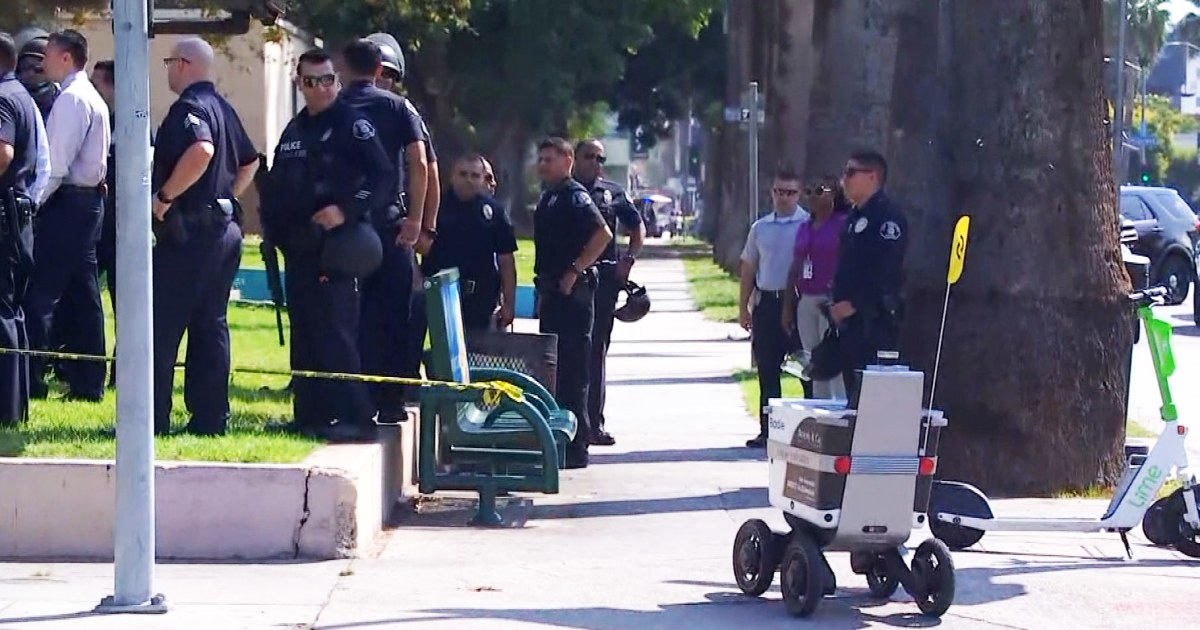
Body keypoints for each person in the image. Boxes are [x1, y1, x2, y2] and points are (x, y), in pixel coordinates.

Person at [263, 48, 393, 441]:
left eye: (326, 80)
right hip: (299, 246)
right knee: (304, 332)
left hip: (338, 246)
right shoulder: (294, 129)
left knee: (335, 332)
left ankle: (356, 416)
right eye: (310, 81)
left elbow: (383, 178)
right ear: (299, 83)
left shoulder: (353, 126)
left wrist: (346, 210)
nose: (319, 89)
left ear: (336, 81)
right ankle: (310, 415)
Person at [150, 37, 258, 435]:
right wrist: (226, 195)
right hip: (223, 230)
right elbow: (250, 161)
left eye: (168, 63)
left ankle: (153, 417)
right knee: (210, 324)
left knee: (162, 325)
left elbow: (203, 150)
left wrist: (165, 196)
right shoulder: (224, 107)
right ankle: (210, 417)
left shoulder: (189, 109)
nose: (166, 71)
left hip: (191, 232)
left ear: (182, 64)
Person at [338, 38, 430, 422]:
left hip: (345, 224)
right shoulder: (399, 107)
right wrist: (416, 221)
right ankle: (390, 402)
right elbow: (420, 163)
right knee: (393, 316)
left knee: (346, 317)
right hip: (391, 226)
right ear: (379, 70)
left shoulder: (334, 107)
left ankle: (350, 401)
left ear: (343, 69)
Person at [23, 29, 110, 402]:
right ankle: (89, 381)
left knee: (40, 293)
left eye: (49, 54)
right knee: (83, 293)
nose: (42, 63)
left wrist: (32, 204)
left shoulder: (72, 100)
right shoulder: (88, 95)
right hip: (87, 204)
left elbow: (55, 166)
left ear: (66, 57)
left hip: (69, 202)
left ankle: (32, 378)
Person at [532, 137, 613, 469]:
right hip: (553, 294)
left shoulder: (574, 196)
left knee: (574, 371)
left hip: (574, 297)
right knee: (554, 370)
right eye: (540, 159)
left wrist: (575, 270)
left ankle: (577, 446)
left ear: (567, 160)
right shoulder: (550, 197)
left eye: (549, 159)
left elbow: (602, 235)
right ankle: (559, 441)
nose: (542, 165)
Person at [572, 139, 644, 447]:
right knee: (568, 350)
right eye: (589, 156)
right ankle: (570, 421)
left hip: (603, 280)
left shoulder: (612, 192)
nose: (596, 163)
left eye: (600, 158)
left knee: (596, 350)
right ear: (575, 158)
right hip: (569, 279)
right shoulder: (565, 191)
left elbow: (636, 225)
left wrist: (628, 260)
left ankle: (593, 423)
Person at [740, 168, 810, 448]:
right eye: (779, 191)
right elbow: (748, 268)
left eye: (790, 192)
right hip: (766, 302)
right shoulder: (761, 228)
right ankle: (768, 430)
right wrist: (743, 307)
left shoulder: (807, 224)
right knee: (768, 370)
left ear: (799, 194)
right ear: (772, 192)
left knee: (806, 370)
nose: (784, 197)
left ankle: (808, 432)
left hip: (798, 304)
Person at [830, 150, 907, 401]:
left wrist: (854, 304)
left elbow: (886, 271)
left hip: (874, 321)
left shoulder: (886, 218)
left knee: (870, 397)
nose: (845, 179)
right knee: (852, 393)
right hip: (850, 324)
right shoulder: (854, 216)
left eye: (851, 172)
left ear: (872, 176)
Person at [421, 153, 517, 331]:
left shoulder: (495, 212)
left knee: (476, 354)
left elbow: (506, 260)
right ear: (452, 175)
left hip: (479, 297)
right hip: (437, 294)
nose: (469, 180)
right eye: (463, 174)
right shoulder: (434, 206)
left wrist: (509, 304)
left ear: (483, 179)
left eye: (475, 175)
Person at [0, 32, 42, 425]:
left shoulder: (2, 98)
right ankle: (14, 406)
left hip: (4, 213)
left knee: (2, 311)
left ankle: (6, 409)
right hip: (18, 214)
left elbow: (3, 152)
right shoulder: (21, 95)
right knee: (12, 311)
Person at [783, 176, 848, 399]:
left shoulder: (843, 223)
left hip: (830, 300)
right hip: (807, 299)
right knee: (814, 361)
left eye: (820, 190)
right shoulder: (805, 227)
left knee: (833, 358)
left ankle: (839, 409)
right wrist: (788, 306)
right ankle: (820, 411)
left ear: (835, 194)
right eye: (808, 191)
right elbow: (795, 266)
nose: (812, 197)